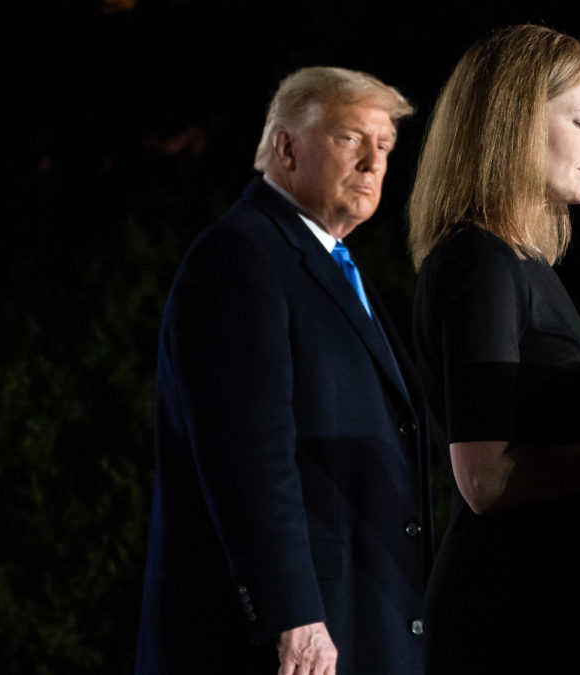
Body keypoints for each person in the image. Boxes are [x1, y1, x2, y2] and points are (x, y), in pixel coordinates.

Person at [135, 67, 431, 675]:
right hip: (295, 639)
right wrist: (291, 615)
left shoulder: (332, 264)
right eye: (351, 138)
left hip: (359, 618)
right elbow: (247, 454)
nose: (375, 163)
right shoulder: (241, 256)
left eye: (386, 147)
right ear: (286, 147)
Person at [407, 24, 580, 674]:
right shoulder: (481, 261)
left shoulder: (516, 262)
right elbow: (484, 477)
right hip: (506, 618)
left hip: (541, 606)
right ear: (516, 122)